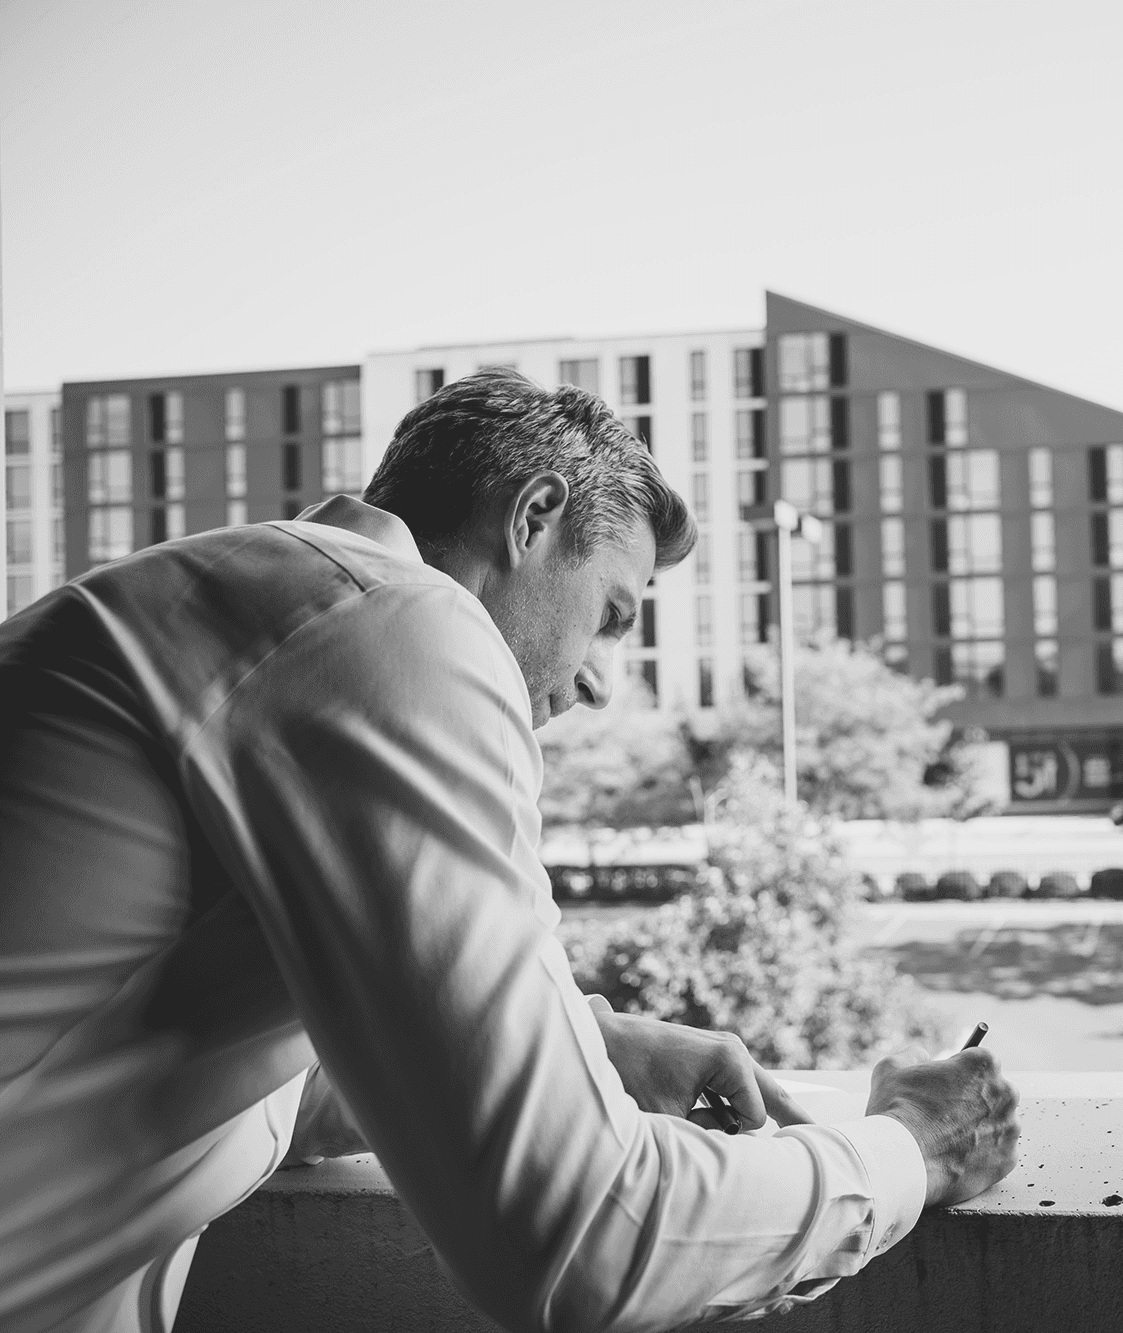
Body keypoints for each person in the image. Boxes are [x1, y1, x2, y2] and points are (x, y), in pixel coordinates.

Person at [0, 369, 1018, 1333]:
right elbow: (581, 1236)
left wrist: (579, 1043)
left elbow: (154, 1065)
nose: (601, 683)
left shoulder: (231, 604)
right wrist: (909, 1149)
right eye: (609, 617)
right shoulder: (391, 619)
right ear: (530, 518)